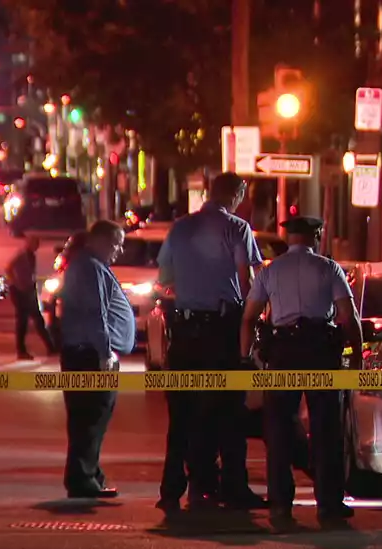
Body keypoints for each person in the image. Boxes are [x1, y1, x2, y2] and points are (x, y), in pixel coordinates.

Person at [156, 172, 268, 512]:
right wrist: (253, 322)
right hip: (223, 329)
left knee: (182, 412)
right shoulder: (237, 228)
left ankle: (173, 488)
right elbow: (247, 281)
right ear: (236, 195)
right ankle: (231, 486)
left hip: (187, 331)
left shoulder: (180, 228)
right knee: (228, 411)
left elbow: (165, 279)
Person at [240, 216, 363, 525]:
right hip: (321, 352)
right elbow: (348, 317)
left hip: (283, 354)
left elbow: (249, 317)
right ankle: (329, 504)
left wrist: (245, 356)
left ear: (289, 236)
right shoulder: (328, 268)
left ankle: (281, 504)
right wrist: (357, 357)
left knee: (278, 430)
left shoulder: (271, 271)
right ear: (316, 236)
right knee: (326, 430)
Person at [58, 220, 133, 499]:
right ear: (99, 240)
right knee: (90, 415)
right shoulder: (89, 267)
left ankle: (89, 473)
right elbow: (94, 314)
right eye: (116, 243)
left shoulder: (90, 265)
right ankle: (83, 477)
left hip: (88, 353)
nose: (119, 250)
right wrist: (104, 353)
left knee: (91, 416)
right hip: (89, 355)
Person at [4, 233, 56, 360]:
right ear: (28, 243)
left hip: (27, 290)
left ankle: (51, 347)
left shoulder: (30, 255)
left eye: (37, 244)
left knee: (36, 319)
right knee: (24, 321)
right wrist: (16, 283)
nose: (36, 246)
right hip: (21, 291)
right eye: (35, 243)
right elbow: (9, 268)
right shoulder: (22, 255)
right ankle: (23, 351)